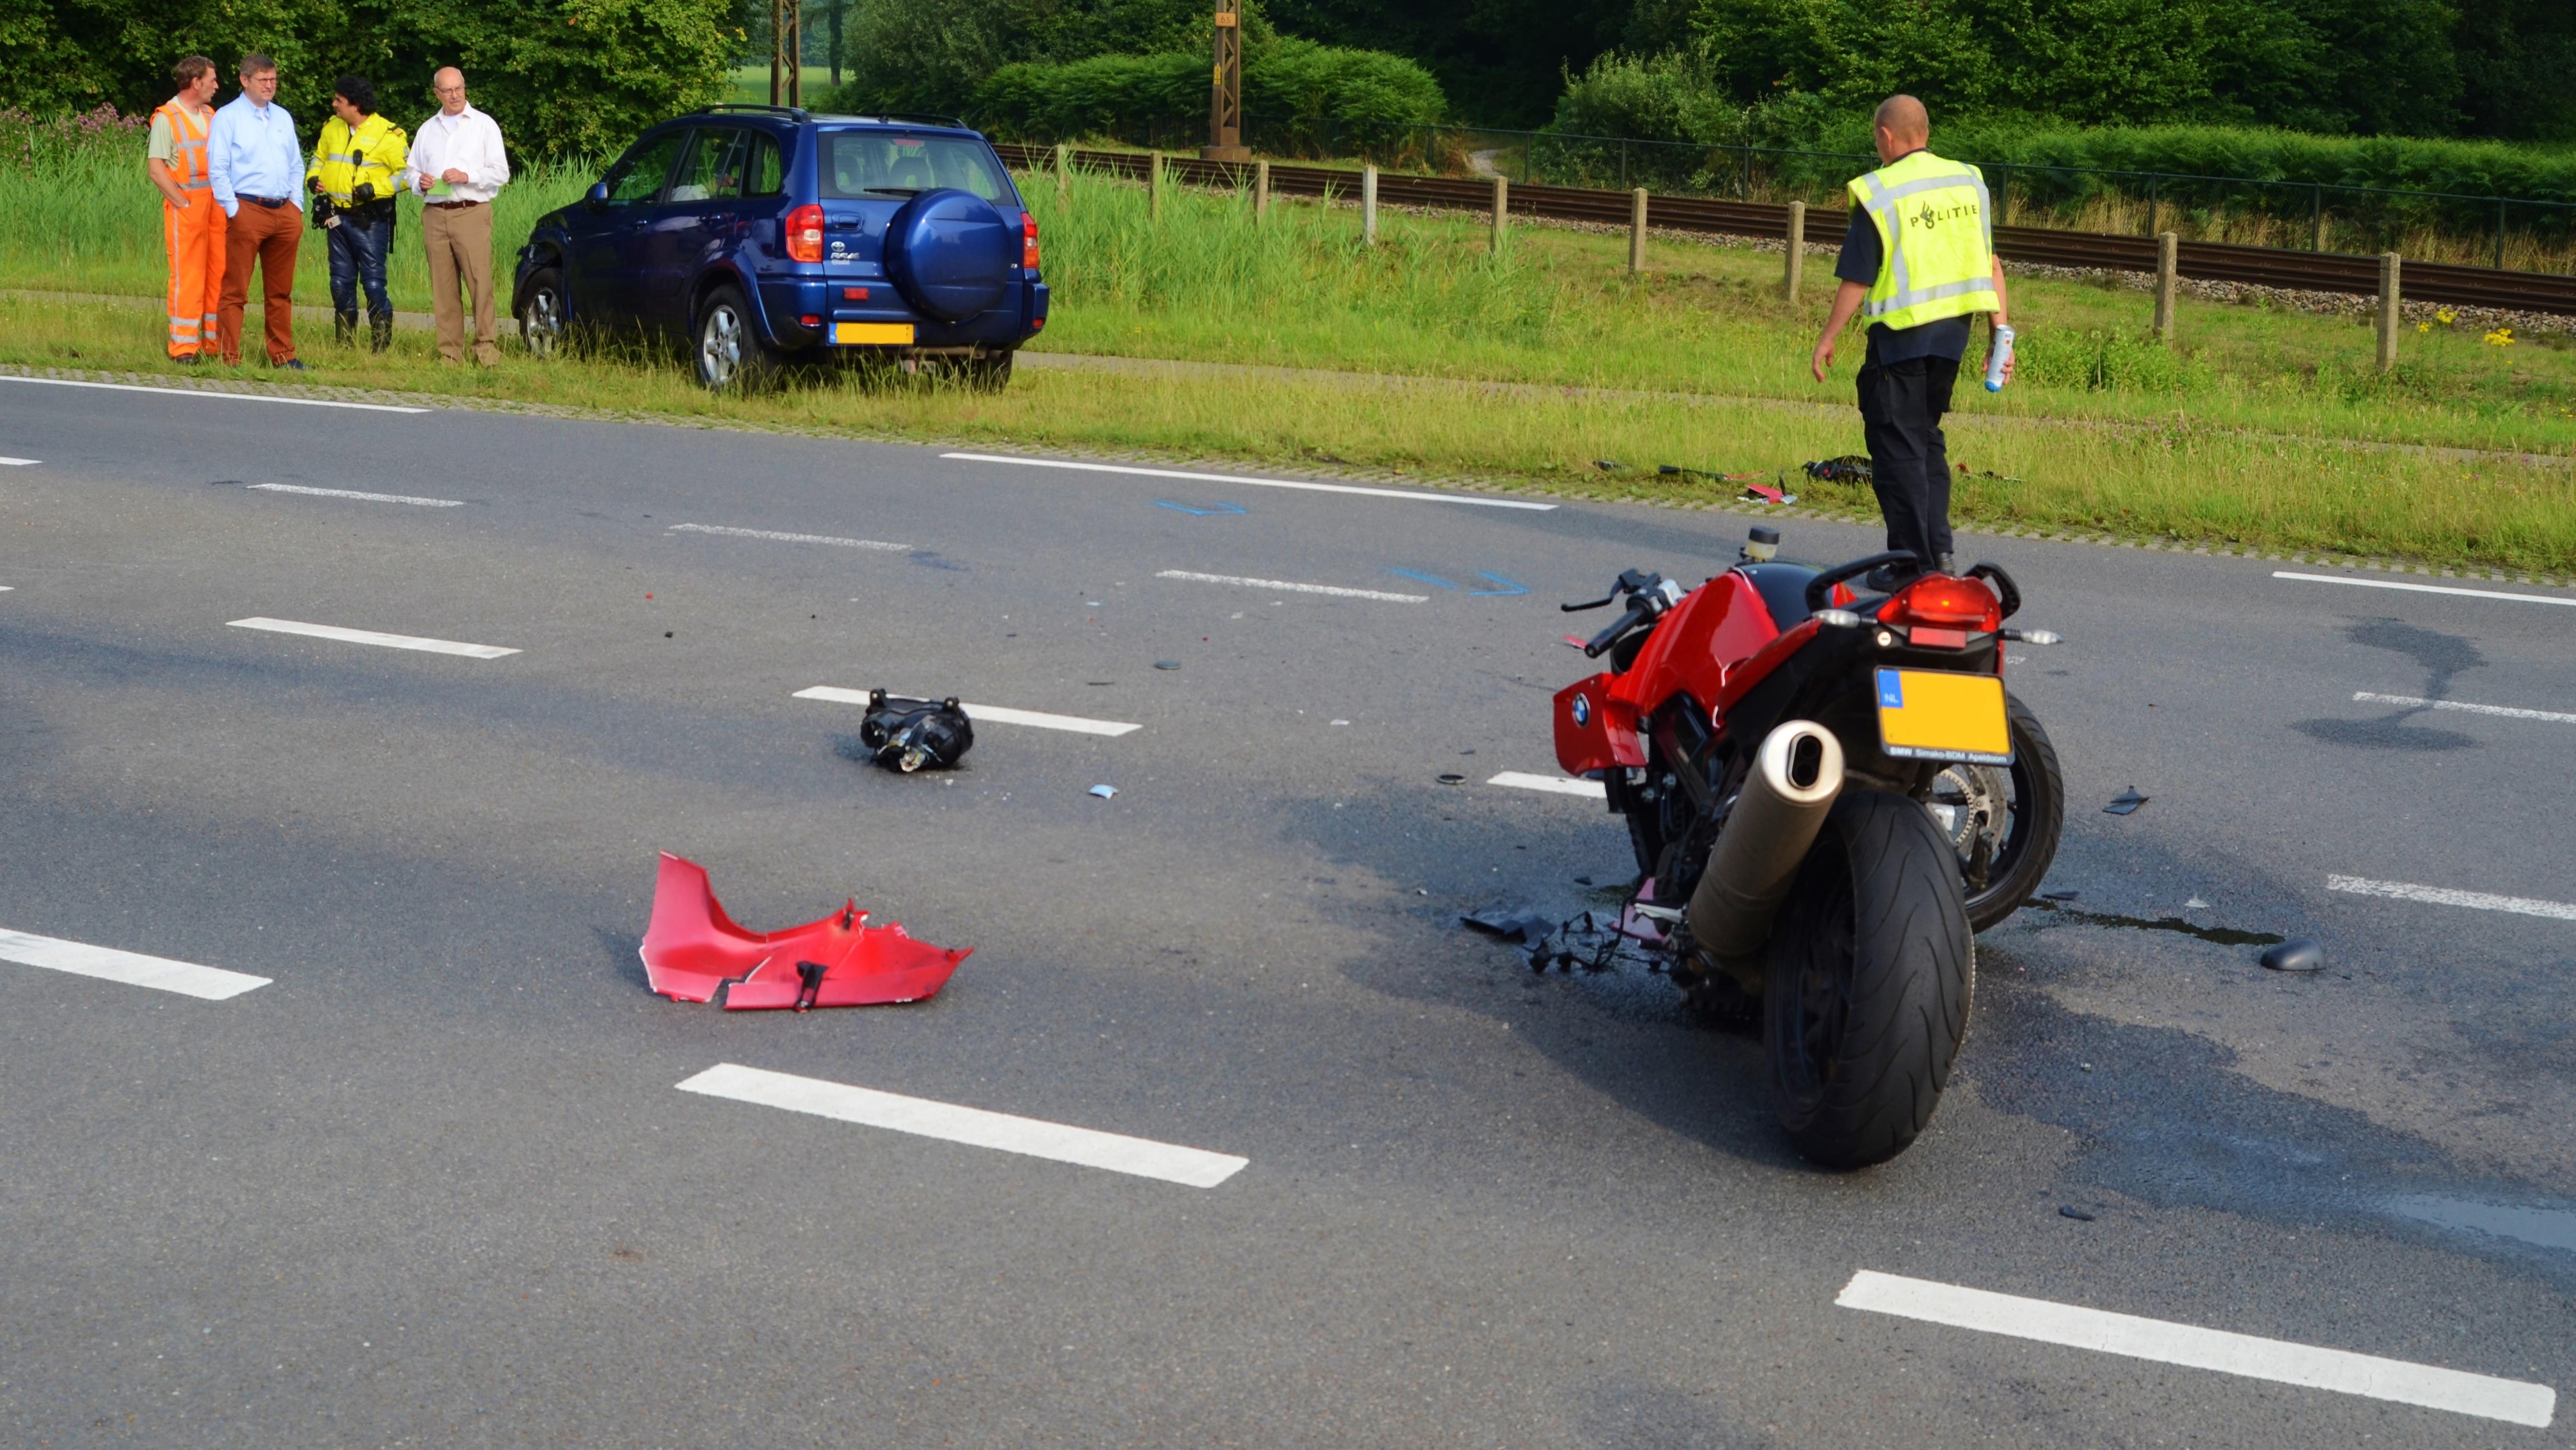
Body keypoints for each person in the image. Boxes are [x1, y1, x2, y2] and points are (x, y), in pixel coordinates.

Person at [1809, 94, 2013, 583]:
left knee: (1896, 450)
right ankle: (1939, 557)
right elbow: (1992, 266)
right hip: (1953, 341)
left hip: (1900, 339)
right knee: (1925, 441)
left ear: (1885, 136)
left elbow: (1858, 277)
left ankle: (1911, 568)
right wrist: (2000, 337)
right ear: (1926, 131)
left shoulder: (1881, 190)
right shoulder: (1968, 182)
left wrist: (1829, 335)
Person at [206, 52, 307, 370]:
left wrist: (296, 206)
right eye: (262, 80)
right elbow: (217, 168)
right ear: (245, 80)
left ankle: (283, 355)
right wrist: (235, 210)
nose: (269, 86)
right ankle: (228, 357)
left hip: (284, 211)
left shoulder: (282, 117)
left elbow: (295, 164)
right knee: (235, 289)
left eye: (273, 80)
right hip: (247, 209)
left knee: (280, 292)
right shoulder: (228, 117)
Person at [404, 67, 510, 365]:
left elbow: (501, 172)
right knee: (443, 287)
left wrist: (467, 175)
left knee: (480, 283)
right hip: (436, 214)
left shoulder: (484, 126)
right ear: (436, 93)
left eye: (459, 89)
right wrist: (418, 181)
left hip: (471, 212)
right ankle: (450, 353)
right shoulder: (428, 129)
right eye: (447, 91)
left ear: (465, 88)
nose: (454, 95)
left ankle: (486, 348)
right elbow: (410, 170)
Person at [307, 74, 408, 352]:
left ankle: (380, 346)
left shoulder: (389, 135)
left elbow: (409, 176)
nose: (334, 104)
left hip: (370, 220)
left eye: (339, 100)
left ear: (355, 105)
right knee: (340, 281)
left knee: (374, 283)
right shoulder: (332, 128)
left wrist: (374, 188)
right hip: (335, 217)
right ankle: (346, 344)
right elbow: (319, 158)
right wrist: (313, 178)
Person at [147, 55, 224, 365]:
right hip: (187, 209)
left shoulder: (210, 114)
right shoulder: (167, 117)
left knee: (217, 273)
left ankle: (212, 341)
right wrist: (184, 203)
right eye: (212, 80)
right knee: (187, 276)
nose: (216, 86)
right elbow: (156, 170)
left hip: (215, 207)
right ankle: (184, 348)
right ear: (196, 83)